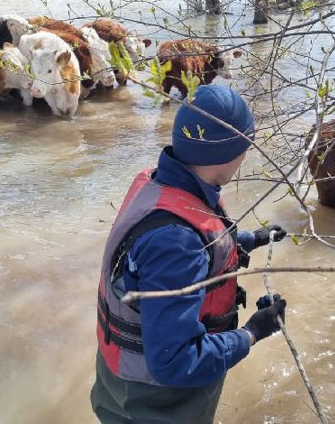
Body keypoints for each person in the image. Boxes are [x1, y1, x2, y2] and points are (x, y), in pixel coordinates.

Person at [90, 84, 289, 424]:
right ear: (229, 154)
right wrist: (253, 332)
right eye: (246, 148)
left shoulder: (156, 182)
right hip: (155, 402)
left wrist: (247, 240)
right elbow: (175, 362)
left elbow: (158, 254)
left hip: (122, 382)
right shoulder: (177, 242)